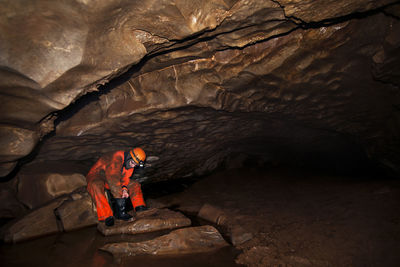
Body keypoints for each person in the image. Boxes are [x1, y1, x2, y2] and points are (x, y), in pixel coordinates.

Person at [86, 147, 148, 227]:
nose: (133, 166)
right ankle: (106, 216)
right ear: (129, 156)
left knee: (134, 184)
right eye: (132, 162)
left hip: (114, 178)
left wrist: (125, 189)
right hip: (98, 175)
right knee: (95, 185)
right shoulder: (117, 157)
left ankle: (140, 207)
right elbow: (113, 179)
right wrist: (121, 207)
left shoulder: (129, 164)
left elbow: (125, 179)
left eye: (135, 165)